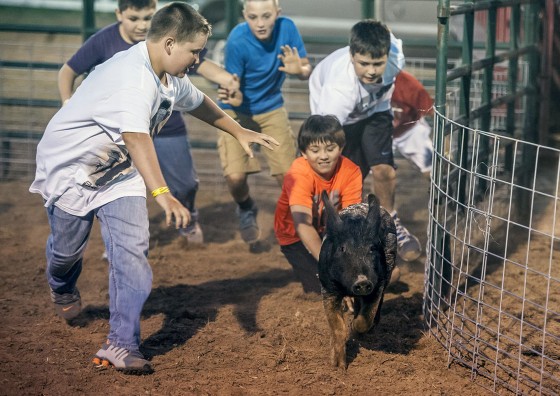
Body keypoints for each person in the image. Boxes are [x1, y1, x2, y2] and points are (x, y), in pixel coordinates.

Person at [30, 2, 278, 375]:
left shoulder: (169, 76)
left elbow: (198, 101)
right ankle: (61, 285)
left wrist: (236, 128)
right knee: (66, 254)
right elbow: (136, 138)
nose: (197, 59)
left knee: (132, 255)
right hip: (70, 174)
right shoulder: (133, 77)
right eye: (194, 51)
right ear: (168, 43)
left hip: (117, 175)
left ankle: (121, 343)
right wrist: (163, 194)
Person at [58, 0, 242, 246]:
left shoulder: (173, 39)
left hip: (167, 126)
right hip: (120, 136)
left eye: (147, 18)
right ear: (119, 14)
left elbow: (202, 64)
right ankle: (117, 239)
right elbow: (68, 71)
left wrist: (228, 81)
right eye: (134, 18)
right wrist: (67, 102)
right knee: (114, 187)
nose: (142, 25)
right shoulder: (105, 41)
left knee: (186, 184)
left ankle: (187, 220)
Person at [308, 20, 422, 262]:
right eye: (364, 64)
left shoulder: (395, 58)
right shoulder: (338, 92)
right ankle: (335, 236)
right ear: (351, 56)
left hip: (376, 111)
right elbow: (321, 136)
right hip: (338, 122)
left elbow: (389, 33)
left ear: (386, 56)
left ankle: (391, 226)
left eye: (377, 63)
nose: (371, 71)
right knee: (345, 179)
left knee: (385, 172)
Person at [218, 0, 312, 246]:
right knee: (235, 178)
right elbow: (231, 85)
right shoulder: (237, 41)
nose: (260, 23)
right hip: (237, 113)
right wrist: (234, 95)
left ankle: (301, 229)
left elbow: (305, 68)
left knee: (288, 176)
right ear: (244, 16)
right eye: (253, 17)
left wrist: (300, 70)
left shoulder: (287, 28)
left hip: (271, 109)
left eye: (266, 16)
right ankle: (246, 207)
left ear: (277, 14)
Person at [391, 70, 434, 175]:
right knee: (380, 172)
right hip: (378, 132)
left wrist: (444, 145)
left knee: (433, 168)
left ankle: (444, 189)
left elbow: (433, 113)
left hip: (409, 128)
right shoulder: (362, 79)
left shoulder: (408, 83)